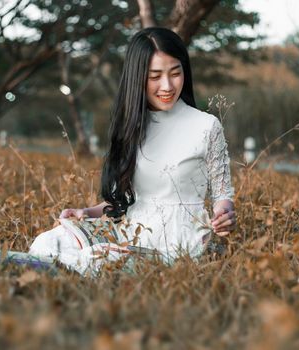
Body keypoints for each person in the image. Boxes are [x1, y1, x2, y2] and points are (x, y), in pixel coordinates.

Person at [29, 27, 236, 274]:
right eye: (155, 76)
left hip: (178, 243)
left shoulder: (206, 126)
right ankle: (26, 269)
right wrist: (87, 212)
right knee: (49, 241)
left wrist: (224, 213)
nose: (167, 85)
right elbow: (125, 201)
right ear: (137, 77)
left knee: (98, 259)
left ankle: (43, 272)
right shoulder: (131, 126)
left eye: (175, 73)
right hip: (127, 233)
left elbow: (223, 194)